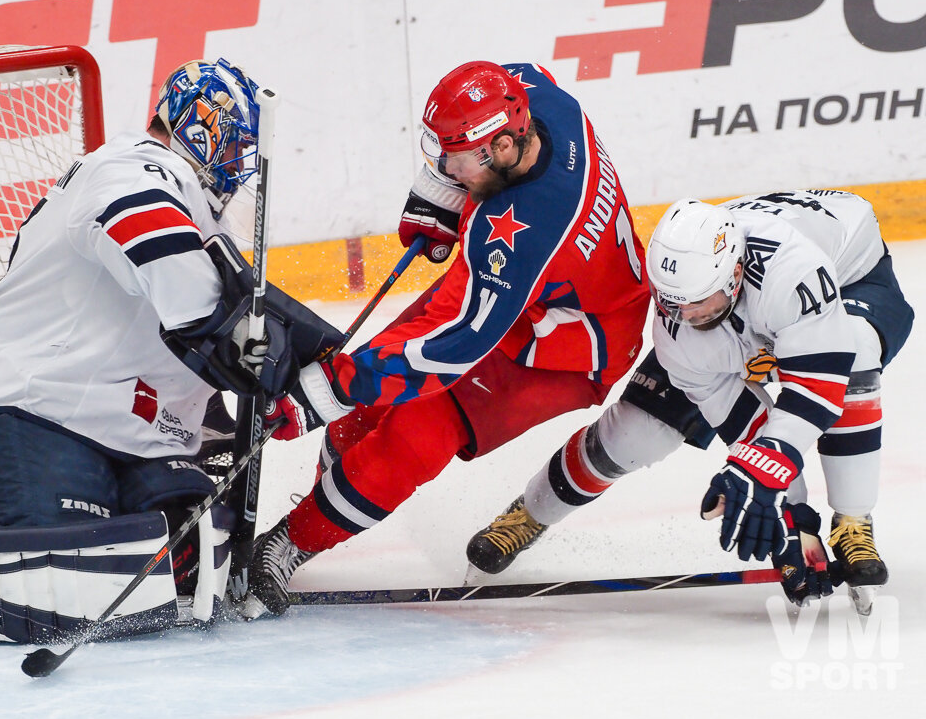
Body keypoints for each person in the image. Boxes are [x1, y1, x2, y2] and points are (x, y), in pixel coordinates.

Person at [247, 60, 651, 616]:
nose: (445, 167)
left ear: (505, 147)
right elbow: (518, 71)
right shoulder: (539, 103)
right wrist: (440, 190)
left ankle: (292, 541)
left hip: (568, 349)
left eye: (455, 162)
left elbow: (453, 345)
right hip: (521, 296)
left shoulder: (525, 232)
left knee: (413, 433)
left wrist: (325, 391)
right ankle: (334, 493)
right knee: (364, 403)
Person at [468, 190, 913, 611]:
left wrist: (771, 482)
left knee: (855, 352)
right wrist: (792, 518)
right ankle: (531, 511)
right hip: (752, 304)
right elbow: (745, 423)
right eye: (672, 304)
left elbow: (817, 389)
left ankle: (854, 519)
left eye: (697, 303)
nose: (687, 318)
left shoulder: (791, 273)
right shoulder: (680, 325)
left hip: (851, 279)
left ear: (735, 273)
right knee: (634, 434)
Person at [0, 59, 270, 596]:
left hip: (130, 424)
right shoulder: (132, 168)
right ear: (201, 127)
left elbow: (185, 335)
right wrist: (244, 341)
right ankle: (8, 509)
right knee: (75, 577)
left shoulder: (195, 206)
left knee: (189, 564)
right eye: (234, 147)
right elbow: (189, 298)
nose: (237, 166)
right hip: (36, 407)